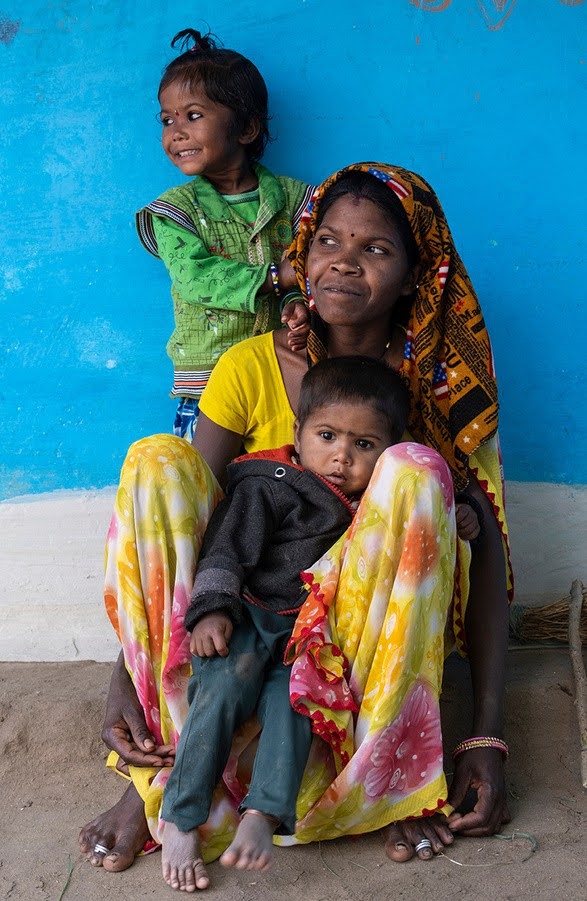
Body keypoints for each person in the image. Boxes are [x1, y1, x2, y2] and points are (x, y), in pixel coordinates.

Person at [79, 162, 513, 877]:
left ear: (414, 275)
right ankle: (163, 778)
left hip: (360, 640)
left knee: (413, 467)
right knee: (157, 460)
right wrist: (123, 678)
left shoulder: (436, 384)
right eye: (327, 242)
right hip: (242, 621)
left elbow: (484, 551)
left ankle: (389, 782)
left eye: (374, 248)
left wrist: (486, 736)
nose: (343, 261)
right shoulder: (249, 365)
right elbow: (182, 535)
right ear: (301, 254)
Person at [161, 356, 411, 891]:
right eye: (327, 435)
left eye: (363, 446)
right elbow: (227, 547)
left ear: (387, 453)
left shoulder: (375, 501)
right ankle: (180, 816)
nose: (341, 455)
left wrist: (456, 509)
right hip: (249, 616)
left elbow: (417, 507)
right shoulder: (269, 485)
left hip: (307, 638)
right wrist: (212, 611)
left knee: (297, 706)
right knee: (223, 690)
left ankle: (262, 815)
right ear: (297, 433)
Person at [137, 28, 314, 439]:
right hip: (208, 383)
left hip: (280, 376)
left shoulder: (296, 200)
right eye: (167, 120)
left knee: (280, 479)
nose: (175, 132)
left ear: (247, 128)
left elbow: (305, 268)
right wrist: (276, 277)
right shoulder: (173, 212)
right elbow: (195, 278)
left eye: (193, 116)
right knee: (204, 485)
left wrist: (295, 302)